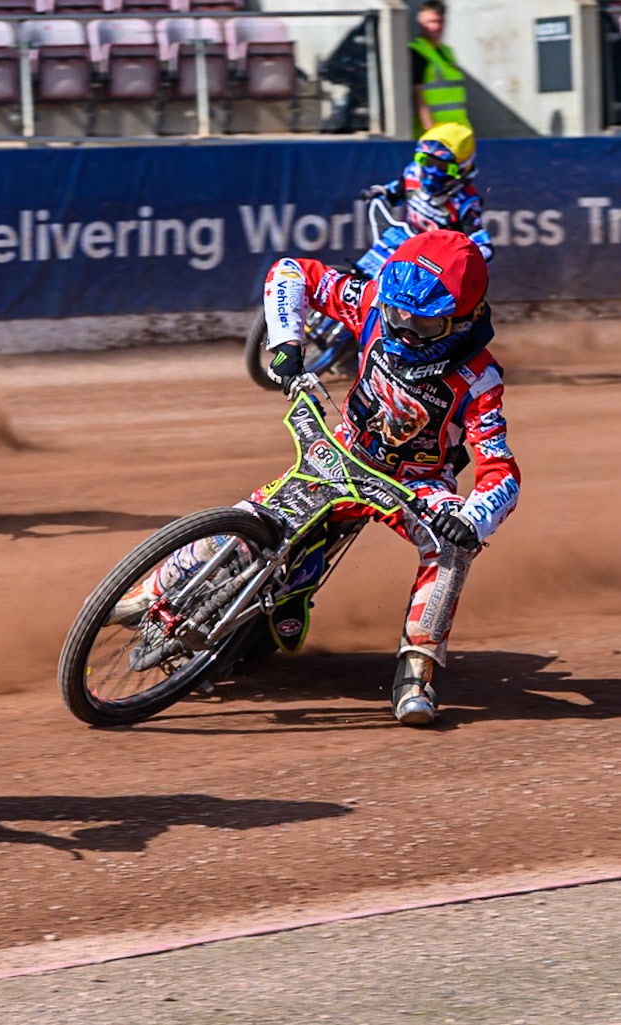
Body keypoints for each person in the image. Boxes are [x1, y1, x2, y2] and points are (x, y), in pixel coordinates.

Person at [262, 230, 517, 725]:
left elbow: (500, 466)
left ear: (463, 318)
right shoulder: (375, 302)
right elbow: (291, 271)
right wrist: (285, 344)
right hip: (341, 452)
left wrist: (475, 518)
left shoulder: (479, 378)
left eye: (424, 322)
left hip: (417, 487)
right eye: (399, 315)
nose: (404, 330)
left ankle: (415, 672)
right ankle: (155, 591)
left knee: (452, 549)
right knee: (254, 518)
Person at [359, 122, 494, 263]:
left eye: (442, 166)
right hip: (403, 244)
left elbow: (477, 237)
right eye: (427, 162)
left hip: (433, 262)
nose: (432, 171)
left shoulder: (465, 201)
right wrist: (377, 192)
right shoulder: (413, 174)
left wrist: (481, 250)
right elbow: (393, 192)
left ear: (461, 169)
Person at [410, 0, 469, 133]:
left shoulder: (447, 52)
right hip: (435, 134)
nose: (436, 26)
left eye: (439, 21)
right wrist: (432, 133)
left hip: (458, 132)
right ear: (420, 25)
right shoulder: (417, 52)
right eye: (430, 22)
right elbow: (418, 98)